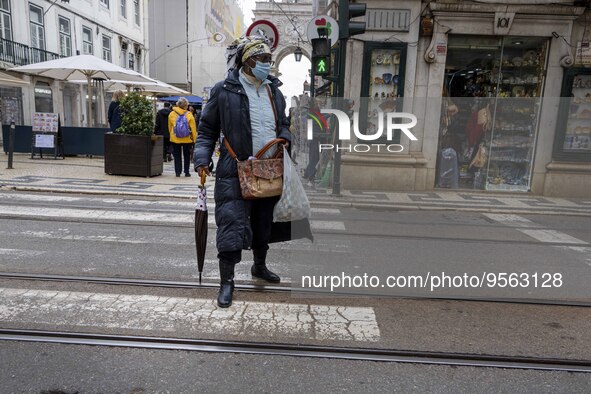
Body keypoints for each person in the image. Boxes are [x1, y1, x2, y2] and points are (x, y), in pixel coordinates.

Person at [194, 36, 312, 308]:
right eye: (260, 60)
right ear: (245, 62)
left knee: (264, 222)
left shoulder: (275, 91)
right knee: (232, 223)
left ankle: (259, 266)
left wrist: (284, 139)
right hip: (234, 170)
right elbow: (207, 130)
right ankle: (227, 282)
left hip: (269, 168)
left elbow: (284, 123)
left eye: (268, 60)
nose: (266, 64)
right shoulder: (224, 90)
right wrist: (202, 159)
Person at [168, 97, 197, 177]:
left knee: (177, 155)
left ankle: (178, 172)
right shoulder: (189, 115)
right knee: (187, 155)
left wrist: (172, 135)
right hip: (187, 139)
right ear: (186, 105)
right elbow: (193, 129)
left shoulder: (171, 114)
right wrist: (194, 139)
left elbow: (170, 127)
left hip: (175, 138)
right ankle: (186, 172)